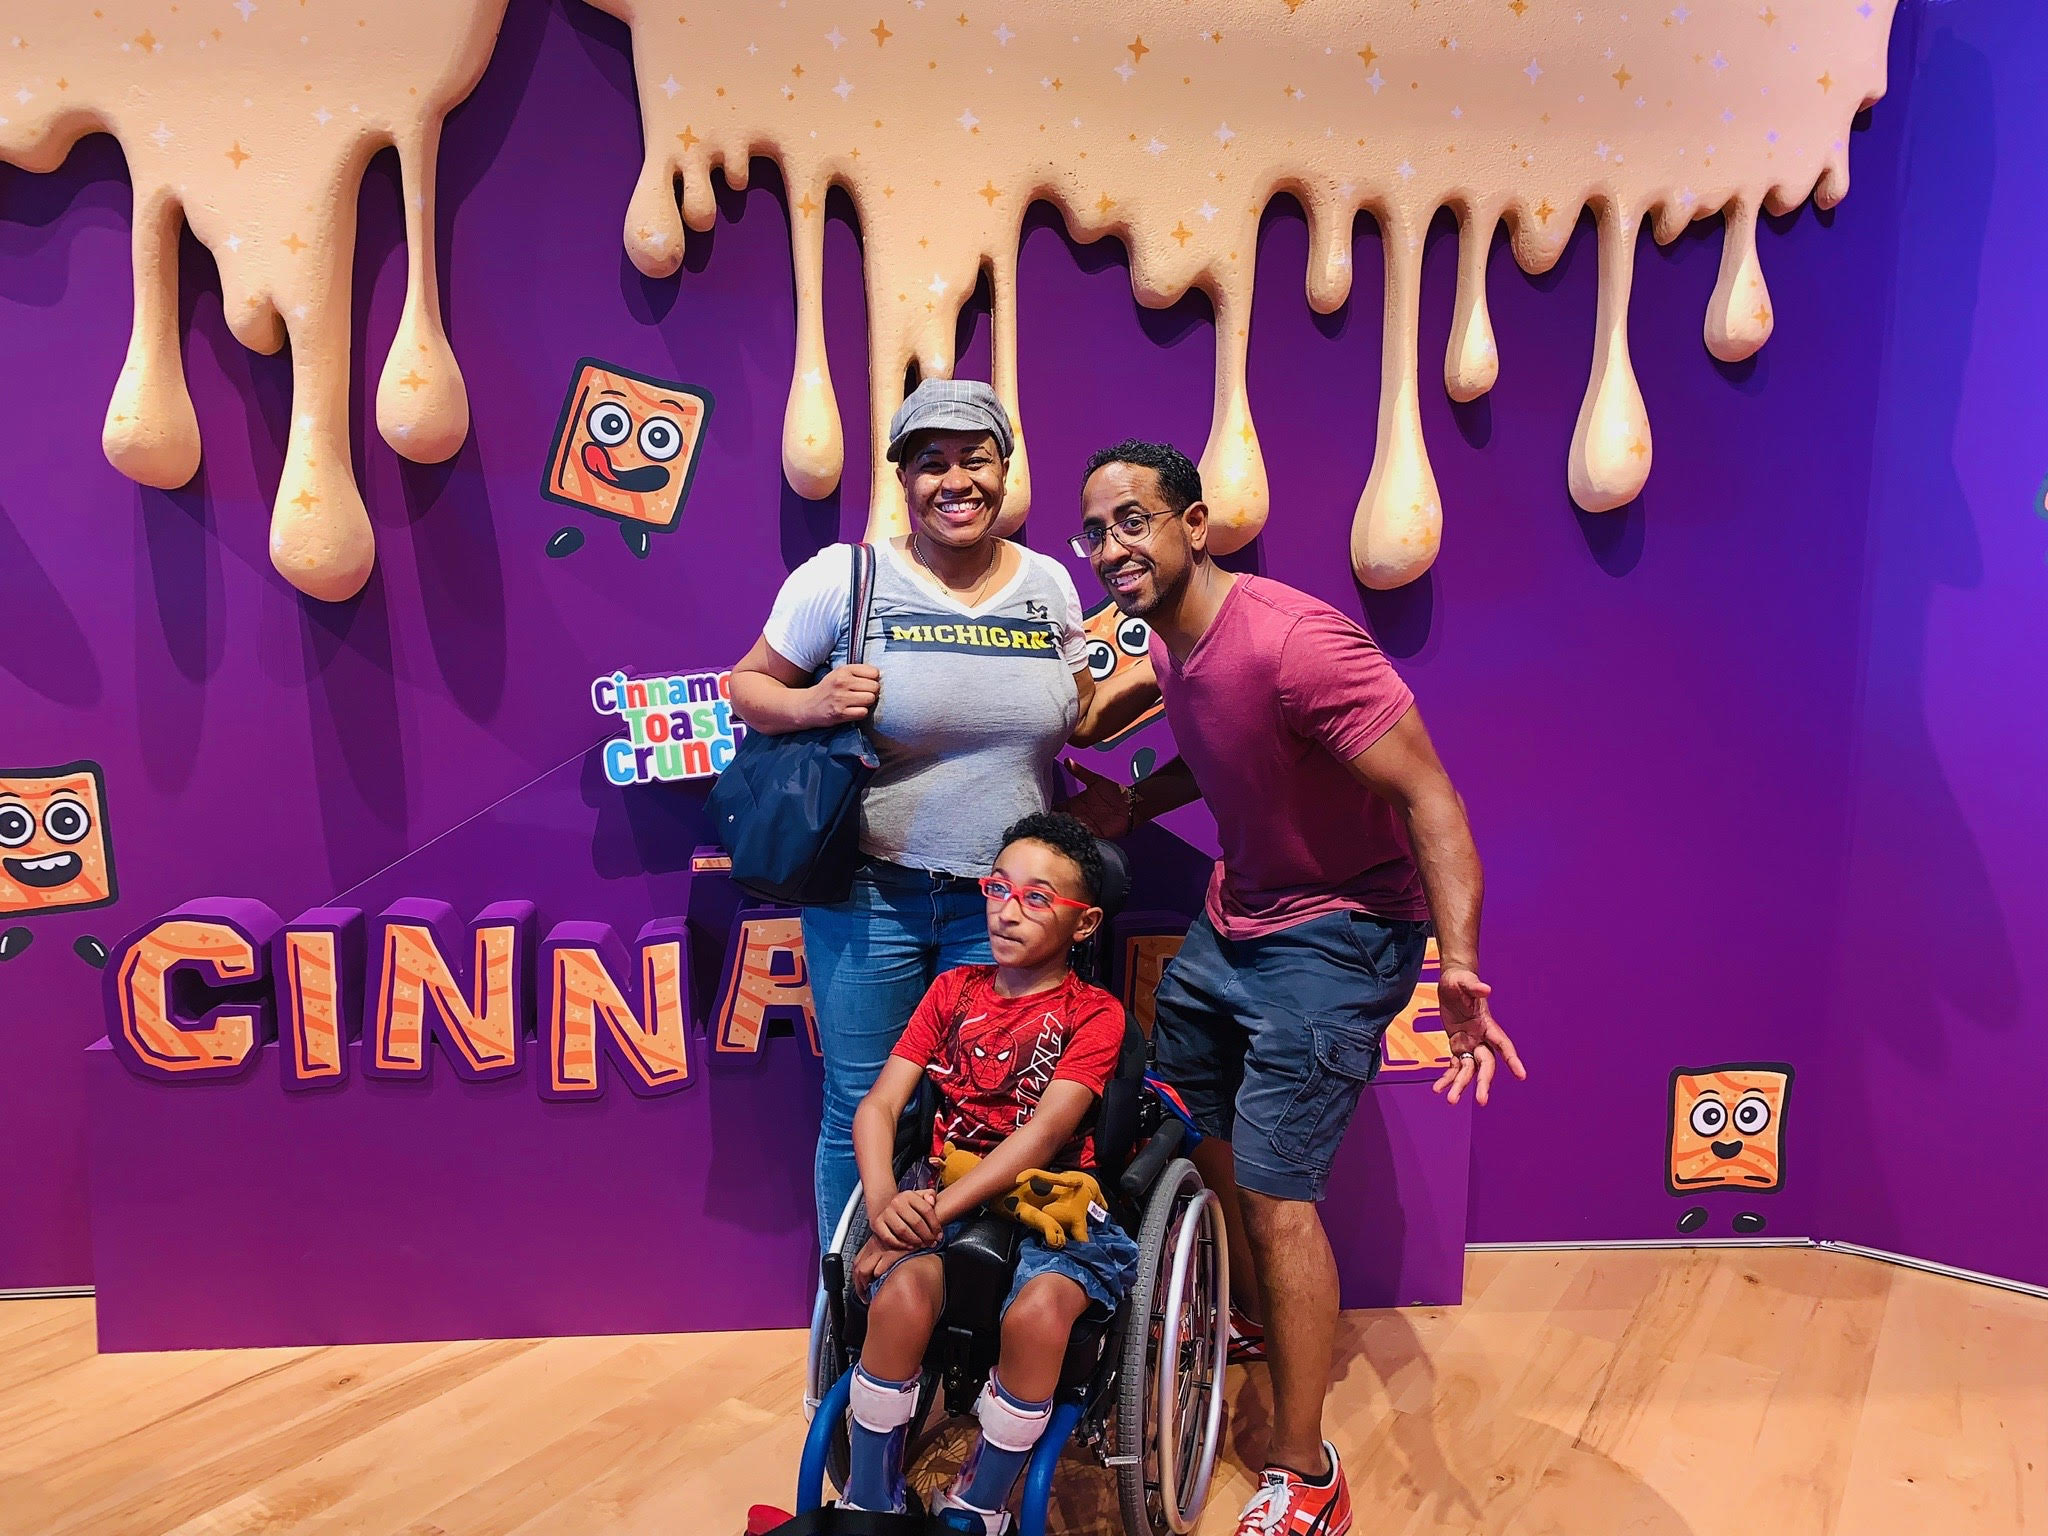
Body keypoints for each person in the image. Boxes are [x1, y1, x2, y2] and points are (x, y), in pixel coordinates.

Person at [1063, 439, 1526, 1536]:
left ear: (1195, 526)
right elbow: (1224, 743)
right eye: (1094, 529)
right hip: (1233, 919)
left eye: (1133, 520)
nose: (1110, 546)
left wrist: (1454, 963)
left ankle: (1304, 1469)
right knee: (1197, 1123)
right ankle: (1251, 1316)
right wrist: (1134, 804)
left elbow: (1431, 799)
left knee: (1276, 1194)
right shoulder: (1169, 640)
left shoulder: (1296, 641)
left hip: (1340, 934)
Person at [729, 380, 1154, 1248]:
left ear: (1005, 473)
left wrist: (1166, 695)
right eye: (931, 464)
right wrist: (813, 707)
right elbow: (746, 687)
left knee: (1007, 1111)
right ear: (903, 480)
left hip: (1008, 908)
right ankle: (856, 1308)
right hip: (868, 898)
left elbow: (1066, 712)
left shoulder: (1050, 587)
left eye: (976, 460)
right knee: (862, 1104)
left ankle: (971, 1322)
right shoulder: (844, 578)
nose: (955, 482)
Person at [840, 813, 1138, 1533]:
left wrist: (930, 1217)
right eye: (998, 888)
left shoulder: (1093, 1014)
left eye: (1038, 898)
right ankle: (872, 1500)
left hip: (1056, 1197)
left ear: (1085, 922)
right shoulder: (952, 992)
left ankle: (977, 1502)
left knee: (1038, 1318)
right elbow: (878, 1106)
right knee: (901, 1295)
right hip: (947, 1186)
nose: (1007, 909)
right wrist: (886, 1204)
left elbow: (1042, 1137)